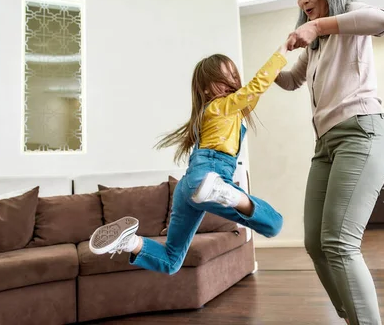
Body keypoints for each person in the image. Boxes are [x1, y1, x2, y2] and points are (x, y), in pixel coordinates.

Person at [88, 44, 288, 275]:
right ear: (205, 89)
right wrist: (283, 52)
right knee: (274, 224)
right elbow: (256, 87)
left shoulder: (219, 111)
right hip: (209, 175)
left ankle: (130, 243)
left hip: (189, 187)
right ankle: (227, 193)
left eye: (233, 75)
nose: (231, 82)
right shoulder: (220, 106)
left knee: (171, 261)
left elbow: (252, 95)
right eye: (222, 78)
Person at [276, 0, 384, 325]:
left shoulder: (352, 17)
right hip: (325, 145)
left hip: (360, 132)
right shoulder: (315, 47)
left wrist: (317, 26)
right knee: (316, 243)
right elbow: (291, 80)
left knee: (341, 243)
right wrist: (254, 76)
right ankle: (353, 316)